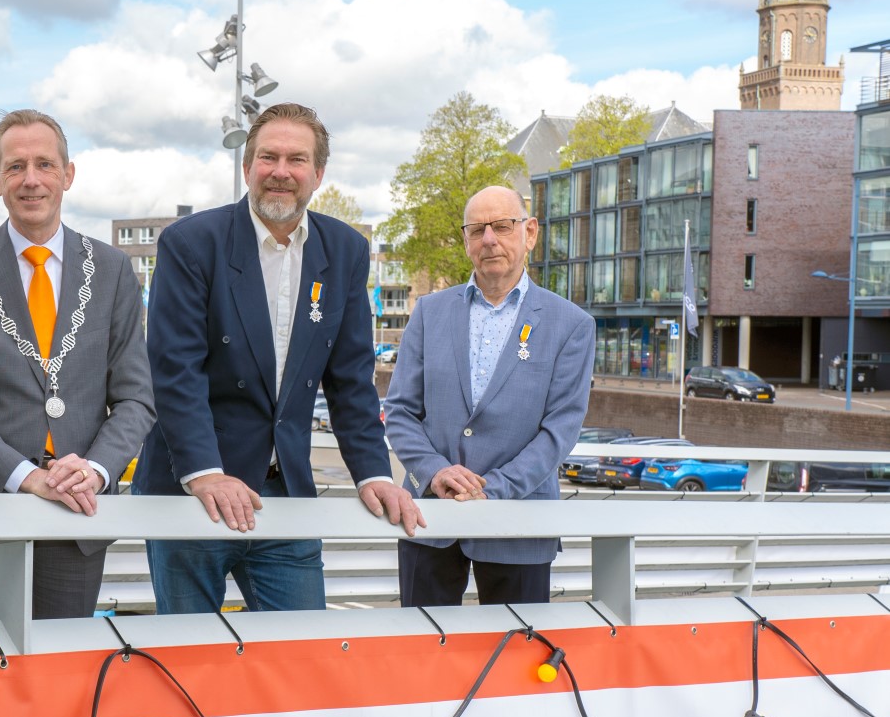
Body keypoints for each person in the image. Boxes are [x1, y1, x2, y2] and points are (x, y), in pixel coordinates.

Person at [134, 102, 422, 613]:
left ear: (318, 173)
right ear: (248, 168)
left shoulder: (346, 251)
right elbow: (176, 371)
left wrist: (374, 474)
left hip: (283, 493)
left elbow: (351, 378)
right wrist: (205, 472)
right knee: (188, 662)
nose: (281, 172)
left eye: (296, 160)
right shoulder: (191, 243)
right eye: (268, 158)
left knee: (300, 657)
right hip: (194, 493)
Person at [0, 109, 154, 623]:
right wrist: (24, 476)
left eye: (45, 164)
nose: (31, 180)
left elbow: (137, 398)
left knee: (63, 687)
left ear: (68, 174)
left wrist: (94, 470)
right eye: (16, 166)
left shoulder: (114, 270)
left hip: (77, 519)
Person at [383, 185, 596, 606]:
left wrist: (490, 490)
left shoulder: (571, 324)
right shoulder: (429, 312)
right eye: (477, 229)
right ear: (465, 240)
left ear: (530, 232)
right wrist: (436, 471)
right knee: (423, 655)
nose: (489, 240)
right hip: (430, 518)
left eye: (502, 226)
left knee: (513, 657)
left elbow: (559, 432)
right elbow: (400, 410)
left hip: (520, 526)